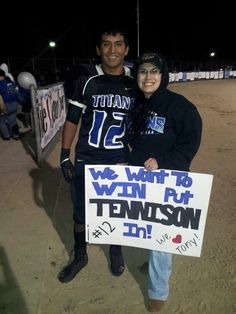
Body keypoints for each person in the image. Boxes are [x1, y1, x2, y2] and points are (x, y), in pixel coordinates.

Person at [58, 27, 135, 283]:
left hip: (119, 159)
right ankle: (80, 253)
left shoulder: (134, 81)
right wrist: (64, 154)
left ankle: (116, 249)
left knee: (118, 211)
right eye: (106, 44)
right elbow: (72, 119)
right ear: (98, 49)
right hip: (87, 159)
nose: (112, 50)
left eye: (118, 44)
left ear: (126, 49)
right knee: (80, 212)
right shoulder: (86, 79)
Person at [128, 52, 202, 312]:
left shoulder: (179, 106)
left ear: (163, 75)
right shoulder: (136, 105)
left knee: (161, 237)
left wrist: (163, 161)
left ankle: (158, 289)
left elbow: (190, 142)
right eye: (143, 71)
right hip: (143, 179)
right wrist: (127, 163)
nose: (148, 77)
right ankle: (155, 259)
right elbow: (134, 143)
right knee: (148, 227)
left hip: (169, 178)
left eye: (154, 71)